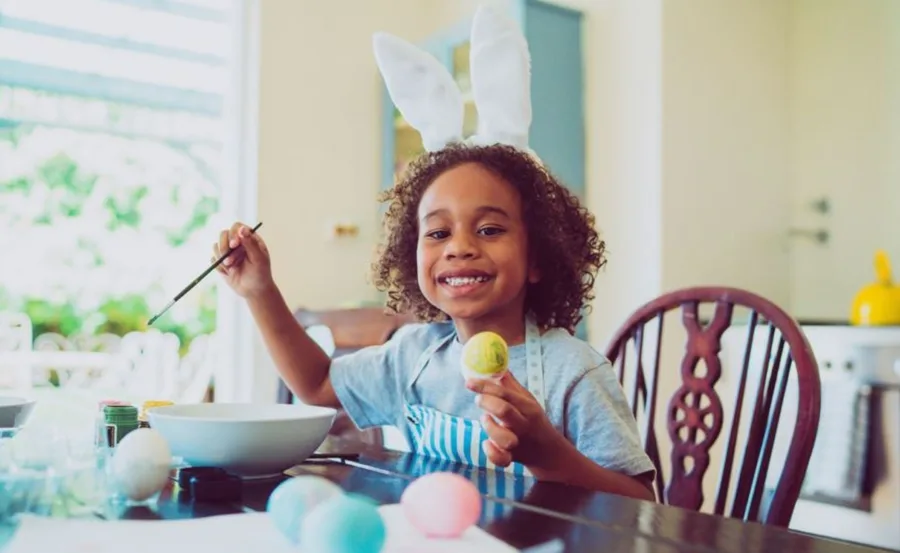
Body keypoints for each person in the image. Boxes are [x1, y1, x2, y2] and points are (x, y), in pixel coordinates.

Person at [213, 6, 655, 501]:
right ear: (412, 254)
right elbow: (317, 384)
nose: (460, 247)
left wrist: (549, 453)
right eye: (438, 234)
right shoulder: (414, 355)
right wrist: (259, 291)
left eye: (489, 229)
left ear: (538, 257)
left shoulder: (573, 371)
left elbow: (639, 503)